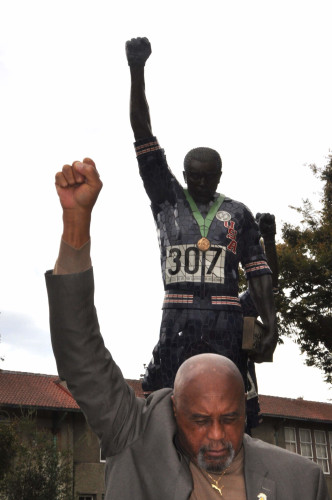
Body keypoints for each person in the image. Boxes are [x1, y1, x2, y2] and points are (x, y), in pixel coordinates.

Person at [45, 158, 329, 499]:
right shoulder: (134, 439)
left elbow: (264, 284)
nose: (216, 437)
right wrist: (76, 221)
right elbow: (81, 355)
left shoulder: (301, 482)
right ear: (174, 409)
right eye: (199, 420)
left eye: (229, 418)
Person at [126, 37, 277, 401]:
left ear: (220, 174)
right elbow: (142, 130)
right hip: (177, 318)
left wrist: (270, 322)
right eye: (195, 175)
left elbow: (259, 272)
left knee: (224, 399)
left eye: (210, 176)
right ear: (184, 172)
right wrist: (136, 70)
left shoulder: (238, 213)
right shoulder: (167, 200)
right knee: (167, 400)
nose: (202, 182)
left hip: (225, 321)